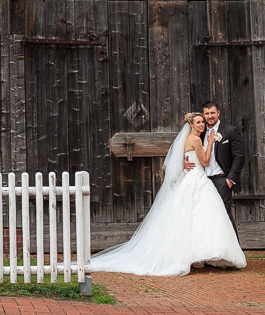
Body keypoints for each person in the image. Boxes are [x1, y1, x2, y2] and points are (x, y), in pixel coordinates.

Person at [90, 112, 246, 276]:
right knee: (201, 215)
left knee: (192, 217)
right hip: (197, 179)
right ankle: (197, 256)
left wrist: (184, 162)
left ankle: (197, 257)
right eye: (199, 122)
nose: (202, 124)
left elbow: (180, 157)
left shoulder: (187, 139)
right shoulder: (196, 139)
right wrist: (209, 142)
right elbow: (205, 161)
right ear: (191, 125)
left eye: (203, 122)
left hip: (191, 178)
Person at [183, 101, 245, 235]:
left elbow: (239, 156)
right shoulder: (200, 130)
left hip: (221, 180)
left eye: (212, 113)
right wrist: (184, 162)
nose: (210, 116)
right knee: (206, 216)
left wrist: (230, 179)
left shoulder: (229, 131)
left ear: (218, 113)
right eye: (207, 113)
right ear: (203, 115)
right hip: (202, 180)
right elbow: (190, 149)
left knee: (224, 215)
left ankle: (234, 251)